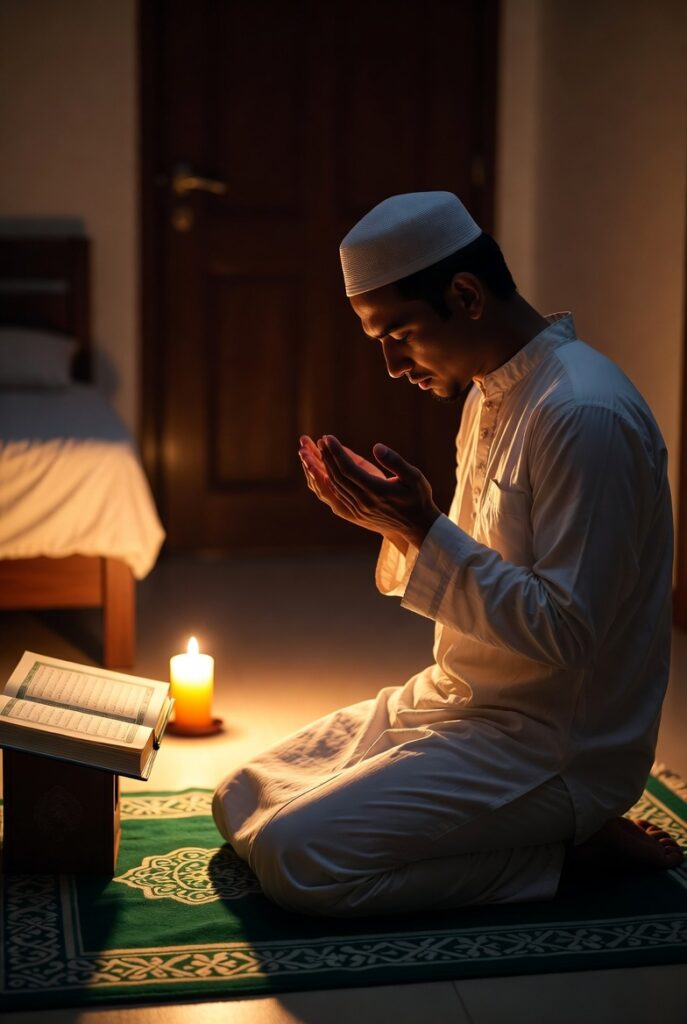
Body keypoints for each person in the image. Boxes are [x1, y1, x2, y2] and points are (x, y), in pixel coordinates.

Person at [213, 191, 683, 916]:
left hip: (552, 745)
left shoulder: (583, 413)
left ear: (465, 296)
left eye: (398, 334)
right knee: (239, 794)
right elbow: (474, 570)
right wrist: (400, 527)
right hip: (458, 702)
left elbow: (570, 632)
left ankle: (566, 852)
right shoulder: (486, 397)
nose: (391, 364)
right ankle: (544, 839)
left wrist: (423, 528)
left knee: (295, 858)